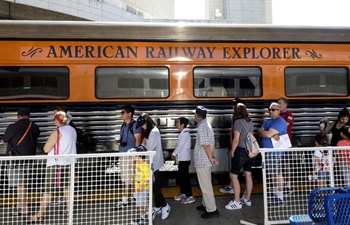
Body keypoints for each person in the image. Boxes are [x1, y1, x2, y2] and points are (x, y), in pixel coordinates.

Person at [27, 111, 77, 222]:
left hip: (56, 165)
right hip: (69, 163)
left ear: (58, 120)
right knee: (67, 188)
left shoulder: (57, 132)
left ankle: (40, 214)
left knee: (48, 190)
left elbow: (46, 149)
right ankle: (69, 209)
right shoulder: (73, 130)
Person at [2, 108, 40, 217]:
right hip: (29, 160)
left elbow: (4, 140)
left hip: (15, 160)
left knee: (20, 185)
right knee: (22, 184)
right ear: (29, 116)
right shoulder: (34, 127)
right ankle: (20, 206)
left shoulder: (13, 127)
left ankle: (24, 208)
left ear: (18, 116)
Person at [135, 113, 171, 221]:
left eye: (143, 124)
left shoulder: (154, 131)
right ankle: (158, 206)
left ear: (147, 122)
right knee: (155, 186)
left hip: (153, 163)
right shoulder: (148, 130)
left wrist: (144, 147)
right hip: (149, 162)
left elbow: (150, 148)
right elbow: (146, 145)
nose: (142, 126)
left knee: (154, 186)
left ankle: (165, 206)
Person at [225, 103, 255, 210]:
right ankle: (247, 199)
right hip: (250, 151)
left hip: (241, 151)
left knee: (234, 176)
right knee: (248, 174)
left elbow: (236, 139)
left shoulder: (238, 122)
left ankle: (237, 201)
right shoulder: (250, 121)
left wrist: (232, 151)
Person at [193, 106, 220, 219]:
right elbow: (211, 143)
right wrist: (212, 156)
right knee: (206, 184)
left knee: (206, 186)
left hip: (203, 161)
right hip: (205, 160)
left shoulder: (202, 127)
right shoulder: (206, 125)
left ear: (198, 116)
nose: (194, 116)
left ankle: (212, 210)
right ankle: (205, 205)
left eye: (195, 114)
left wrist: (210, 157)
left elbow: (206, 145)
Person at [258, 102, 287, 206]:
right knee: (272, 173)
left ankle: (280, 196)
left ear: (279, 111)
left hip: (275, 152)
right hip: (268, 152)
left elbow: (267, 134)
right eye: (269, 110)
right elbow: (260, 131)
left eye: (273, 110)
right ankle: (276, 193)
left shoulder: (280, 122)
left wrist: (265, 133)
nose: (271, 111)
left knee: (277, 173)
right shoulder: (268, 121)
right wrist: (264, 133)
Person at [115, 105, 142, 209]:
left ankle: (126, 198)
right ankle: (133, 196)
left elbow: (138, 140)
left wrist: (135, 153)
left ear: (129, 114)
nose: (121, 114)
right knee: (128, 176)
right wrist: (118, 142)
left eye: (123, 112)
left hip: (130, 155)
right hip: (123, 154)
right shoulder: (123, 125)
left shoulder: (135, 125)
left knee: (129, 176)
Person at [220, 98, 242, 194]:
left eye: (235, 105)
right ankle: (232, 185)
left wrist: (232, 146)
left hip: (237, 145)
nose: (233, 107)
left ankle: (231, 186)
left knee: (234, 167)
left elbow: (234, 132)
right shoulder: (243, 117)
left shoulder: (237, 117)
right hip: (240, 145)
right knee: (242, 169)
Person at [171, 117, 195, 204]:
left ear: (183, 125)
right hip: (182, 159)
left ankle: (190, 196)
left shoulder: (185, 134)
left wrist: (173, 154)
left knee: (184, 178)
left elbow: (180, 146)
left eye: (178, 122)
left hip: (184, 159)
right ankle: (184, 193)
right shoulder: (183, 133)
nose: (176, 124)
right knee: (181, 177)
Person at [128, 145, 150, 225]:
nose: (133, 156)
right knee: (143, 204)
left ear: (139, 156)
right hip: (138, 188)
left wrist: (141, 187)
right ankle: (149, 212)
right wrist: (132, 178)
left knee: (141, 205)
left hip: (143, 189)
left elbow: (148, 179)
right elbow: (137, 174)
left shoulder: (145, 166)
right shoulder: (137, 163)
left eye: (135, 155)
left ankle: (142, 218)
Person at [277, 97, 294, 194]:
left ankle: (288, 185)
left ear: (285, 105)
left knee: (286, 164)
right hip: (277, 142)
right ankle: (279, 185)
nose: (278, 105)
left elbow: (284, 125)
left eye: (279, 103)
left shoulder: (289, 115)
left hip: (286, 143)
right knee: (277, 164)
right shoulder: (277, 115)